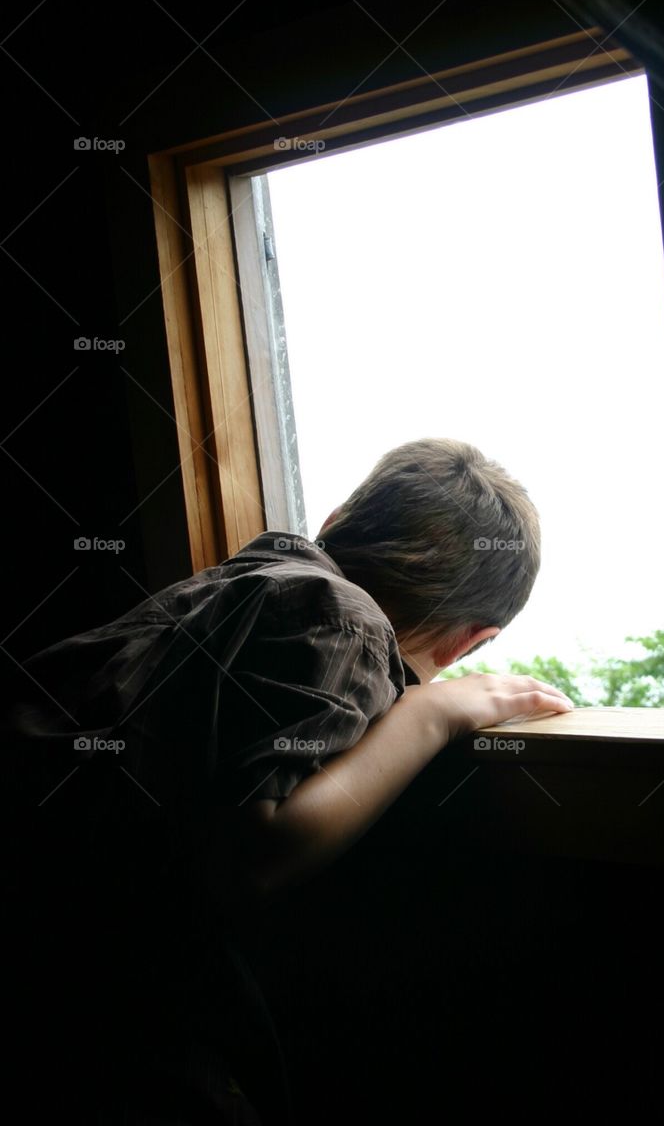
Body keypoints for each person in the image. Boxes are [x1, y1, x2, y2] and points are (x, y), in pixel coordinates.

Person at [5, 437, 572, 1123]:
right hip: (88, 965)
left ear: (331, 520)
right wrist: (434, 713)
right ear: (468, 643)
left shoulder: (237, 588)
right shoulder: (342, 620)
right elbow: (252, 852)